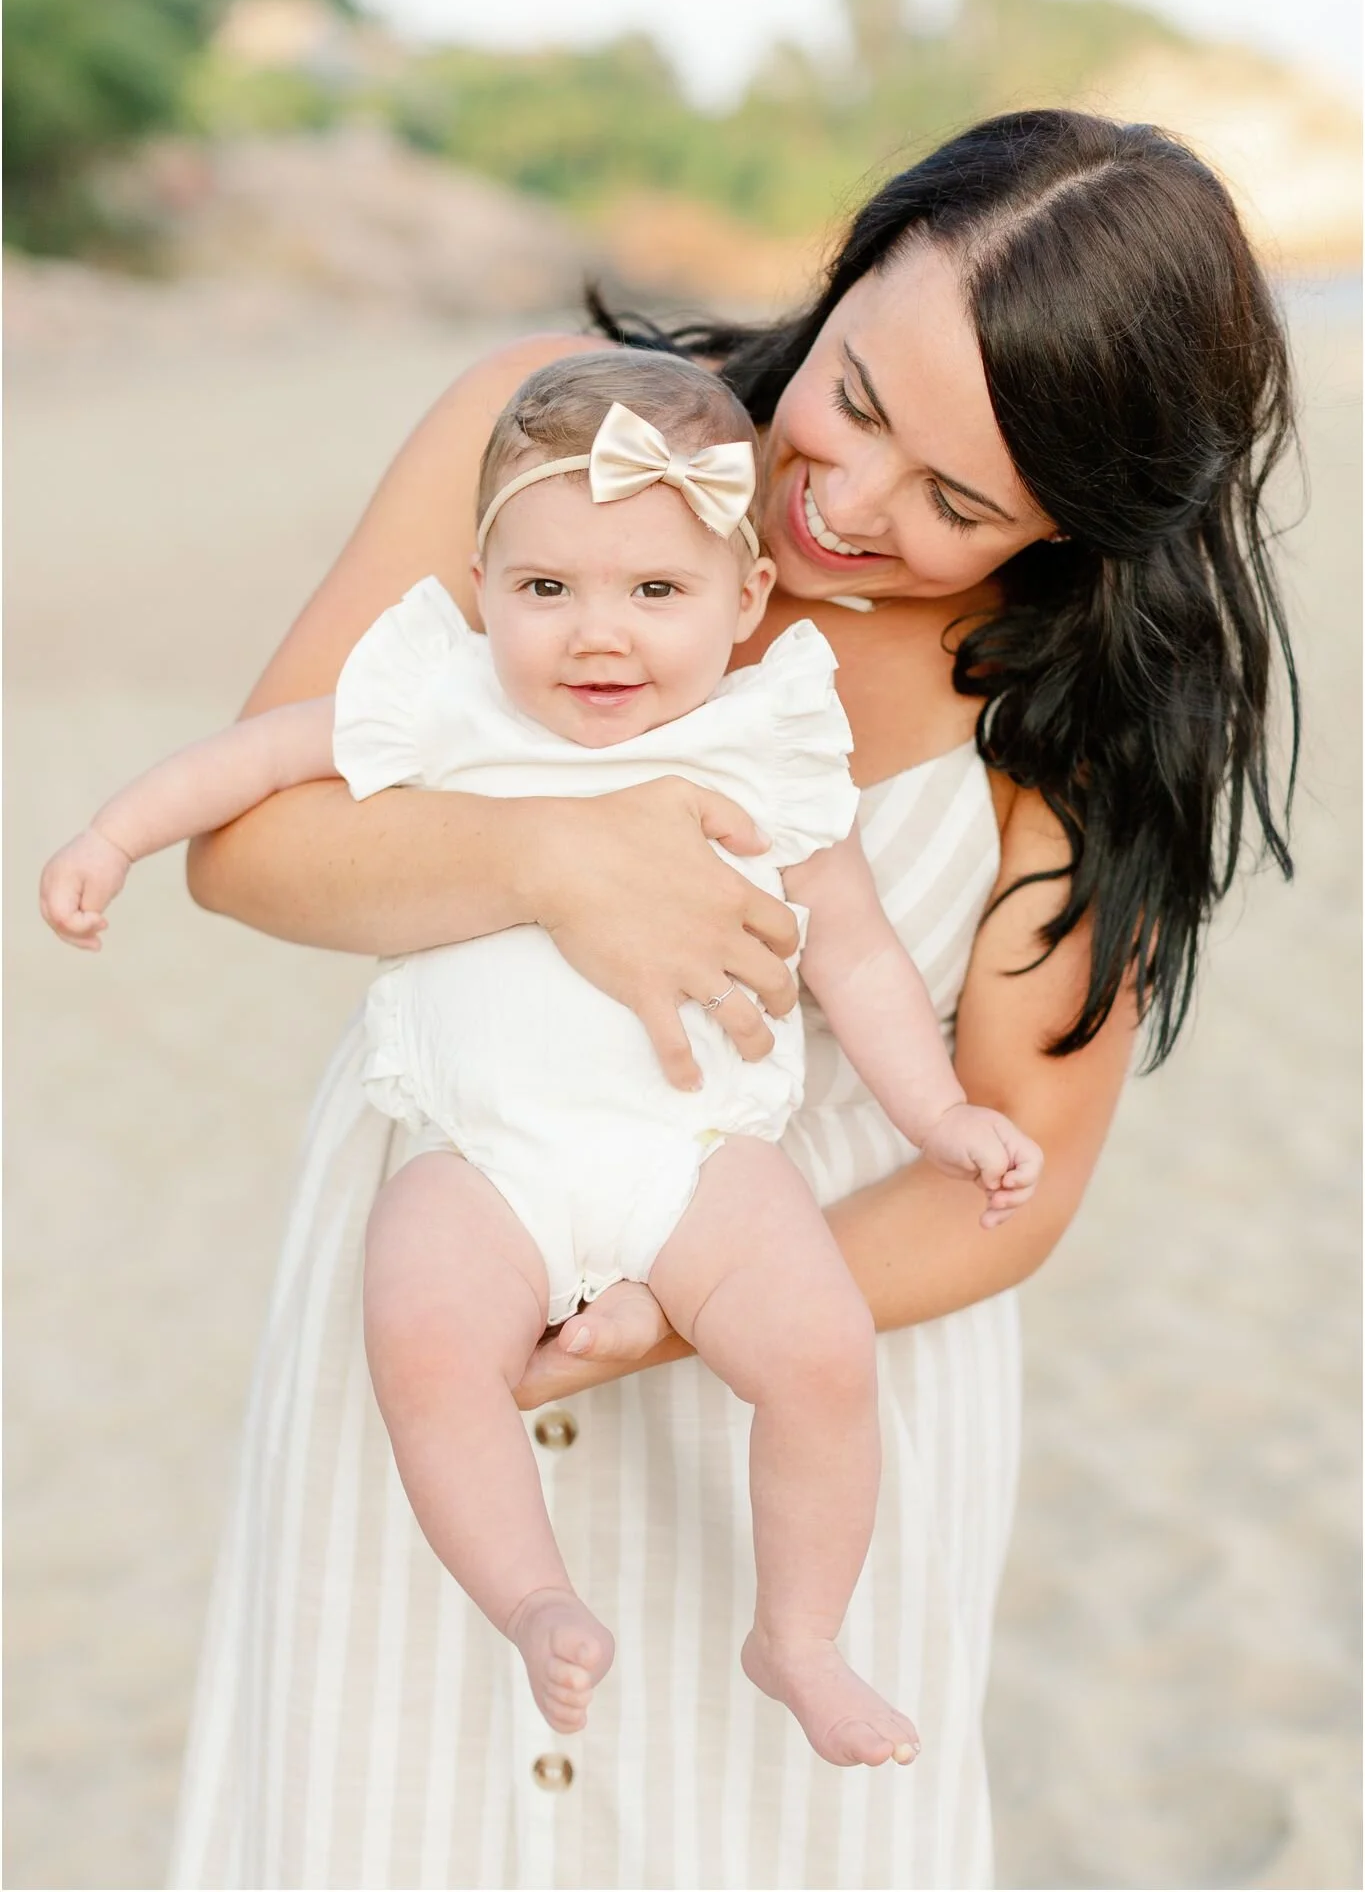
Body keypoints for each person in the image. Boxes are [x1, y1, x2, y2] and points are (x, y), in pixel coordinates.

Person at [165, 110, 1296, 1890]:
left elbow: (1016, 1186)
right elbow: (243, 845)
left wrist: (684, 1312)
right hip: (445, 1300)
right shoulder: (549, 438)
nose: (847, 504)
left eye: (960, 504)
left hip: (801, 1369)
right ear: (847, 271)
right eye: (856, 398)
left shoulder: (1075, 722)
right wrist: (553, 862)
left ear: (1078, 520)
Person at [40, 351, 1044, 1766]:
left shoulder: (765, 746)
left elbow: (862, 959)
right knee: (424, 1338)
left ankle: (800, 1636)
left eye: (657, 591)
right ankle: (532, 1601)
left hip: (700, 1163)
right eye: (547, 588)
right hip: (485, 1165)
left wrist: (939, 1118)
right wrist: (113, 837)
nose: (596, 636)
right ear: (485, 583)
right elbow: (257, 759)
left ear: (746, 600)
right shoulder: (449, 702)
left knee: (821, 1351)